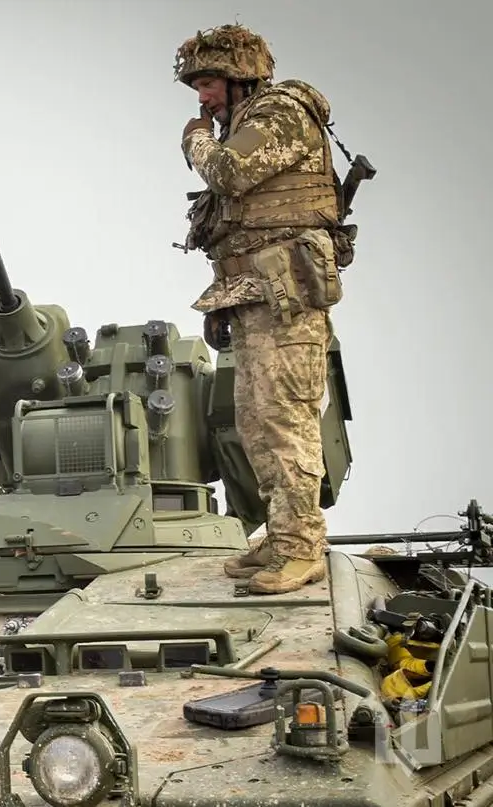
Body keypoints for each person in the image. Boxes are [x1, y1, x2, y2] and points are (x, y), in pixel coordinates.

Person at [174, 24, 351, 595]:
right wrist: (223, 302)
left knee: (284, 420)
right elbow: (237, 228)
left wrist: (194, 140)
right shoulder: (248, 122)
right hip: (257, 298)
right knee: (254, 423)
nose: (203, 99)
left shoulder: (281, 113)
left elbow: (228, 173)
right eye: (197, 87)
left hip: (288, 301)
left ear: (240, 74)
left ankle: (302, 548)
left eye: (208, 84)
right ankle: (281, 537)